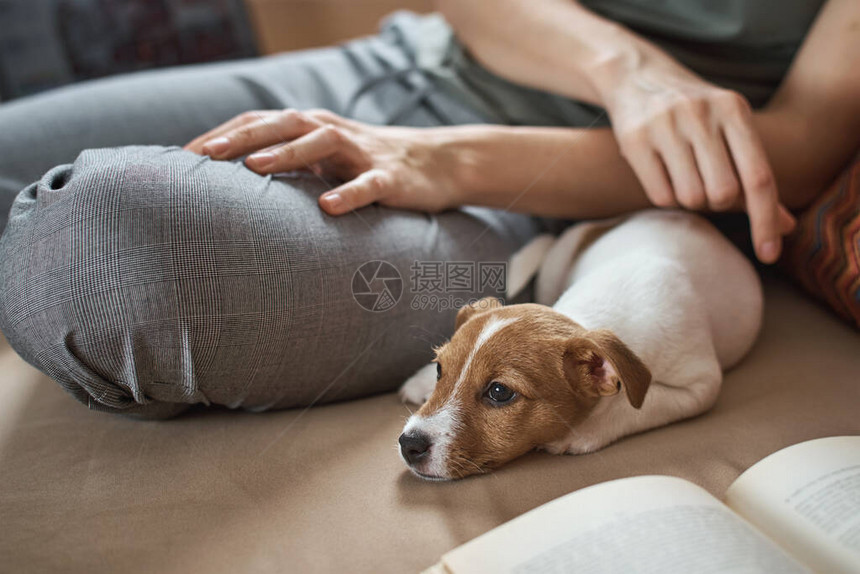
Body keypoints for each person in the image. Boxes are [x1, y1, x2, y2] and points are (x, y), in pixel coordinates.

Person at [0, 1, 856, 418]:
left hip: (545, 200)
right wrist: (628, 71)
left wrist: (449, 159)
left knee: (109, 252)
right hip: (390, 72)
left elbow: (800, 148)